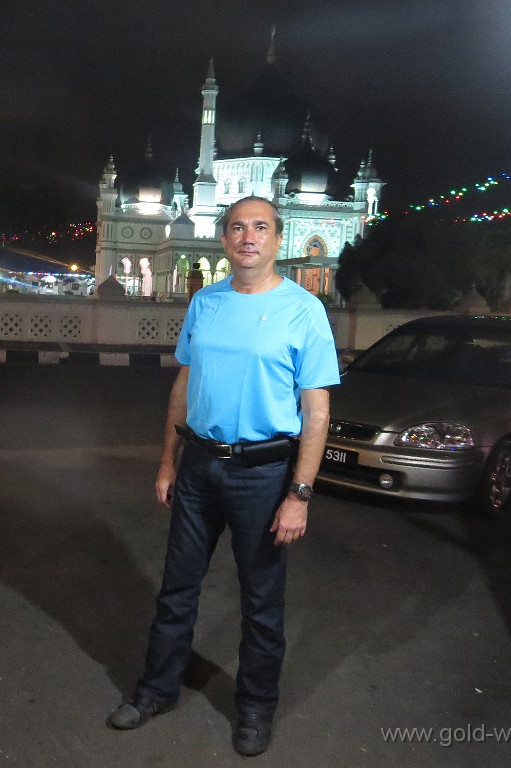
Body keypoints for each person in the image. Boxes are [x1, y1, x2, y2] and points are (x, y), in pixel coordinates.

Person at [106, 196, 340, 757]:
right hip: (199, 468)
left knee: (261, 601)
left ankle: (256, 708)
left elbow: (318, 412)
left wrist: (299, 496)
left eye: (260, 227)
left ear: (278, 240)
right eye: (237, 227)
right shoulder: (205, 303)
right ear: (223, 239)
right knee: (177, 589)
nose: (248, 237)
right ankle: (156, 689)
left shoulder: (303, 311)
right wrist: (168, 462)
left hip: (263, 475)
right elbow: (182, 390)